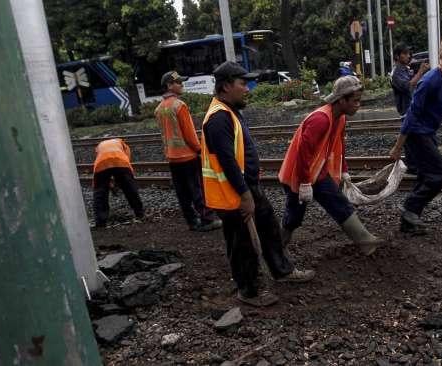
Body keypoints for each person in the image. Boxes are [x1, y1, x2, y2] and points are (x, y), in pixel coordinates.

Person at [201, 61, 315, 307]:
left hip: (246, 186)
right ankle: (248, 291)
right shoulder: (218, 118)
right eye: (242, 83)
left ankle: (282, 271)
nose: (248, 88)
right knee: (241, 242)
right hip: (232, 192)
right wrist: (244, 194)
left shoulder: (229, 111)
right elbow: (227, 161)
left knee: (269, 227)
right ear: (226, 86)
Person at [278, 76, 382, 256]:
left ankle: (365, 241)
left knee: (339, 203)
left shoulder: (339, 118)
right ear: (342, 100)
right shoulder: (321, 119)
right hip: (298, 175)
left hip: (317, 173)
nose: (358, 105)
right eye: (355, 101)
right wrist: (304, 183)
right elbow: (303, 153)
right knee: (294, 217)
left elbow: (339, 145)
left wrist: (344, 170)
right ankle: (276, 251)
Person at [388, 34, 442, 233]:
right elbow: (411, 115)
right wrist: (397, 147)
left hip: (428, 132)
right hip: (416, 133)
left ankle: (408, 222)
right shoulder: (429, 81)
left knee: (426, 175)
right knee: (441, 173)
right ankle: (410, 209)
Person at [155, 70, 222, 232]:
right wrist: (199, 149)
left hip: (172, 157)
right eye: (178, 82)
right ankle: (207, 219)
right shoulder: (180, 105)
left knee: (182, 192)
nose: (182, 85)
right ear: (169, 85)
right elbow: (189, 133)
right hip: (187, 156)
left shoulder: (159, 108)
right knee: (197, 189)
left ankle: (192, 221)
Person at [391, 43, 429, 175]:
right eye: (405, 53)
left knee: (413, 138)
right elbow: (408, 86)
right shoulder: (396, 73)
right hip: (406, 110)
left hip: (413, 108)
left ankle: (415, 165)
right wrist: (421, 72)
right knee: (410, 138)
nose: (408, 56)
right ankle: (413, 167)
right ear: (397, 56)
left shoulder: (406, 69)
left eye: (409, 53)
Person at [92, 138, 144, 227]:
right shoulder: (123, 144)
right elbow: (126, 160)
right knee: (129, 188)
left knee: (100, 192)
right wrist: (121, 181)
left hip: (101, 163)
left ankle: (101, 221)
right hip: (121, 161)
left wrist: (110, 183)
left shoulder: (99, 146)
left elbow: (104, 165)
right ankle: (139, 213)